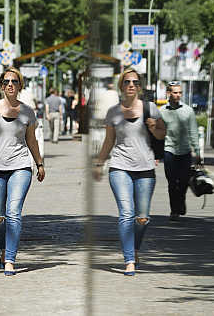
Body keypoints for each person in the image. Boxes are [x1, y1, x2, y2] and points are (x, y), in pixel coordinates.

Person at [0, 67, 45, 276]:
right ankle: (4, 249)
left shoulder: (27, 112)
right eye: (6, 81)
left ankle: (10, 259)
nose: (10, 84)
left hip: (21, 167)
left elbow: (31, 140)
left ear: (20, 85)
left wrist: (39, 163)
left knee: (13, 213)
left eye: (14, 81)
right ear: (2, 86)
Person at [93, 69, 166, 276]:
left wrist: (154, 129)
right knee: (126, 214)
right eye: (127, 82)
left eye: (135, 82)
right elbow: (108, 141)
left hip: (145, 168)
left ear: (140, 86)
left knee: (142, 217)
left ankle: (134, 248)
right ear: (121, 86)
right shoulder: (113, 112)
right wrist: (99, 163)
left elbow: (162, 133)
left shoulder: (150, 108)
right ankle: (129, 260)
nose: (131, 85)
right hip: (120, 167)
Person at [160, 81, 200, 221]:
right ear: (168, 93)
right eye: (175, 92)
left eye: (179, 92)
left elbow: (193, 132)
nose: (177, 95)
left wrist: (198, 151)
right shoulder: (162, 111)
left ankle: (181, 201)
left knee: (183, 181)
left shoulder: (188, 111)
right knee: (172, 182)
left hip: (185, 151)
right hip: (169, 150)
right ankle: (174, 210)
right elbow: (158, 134)